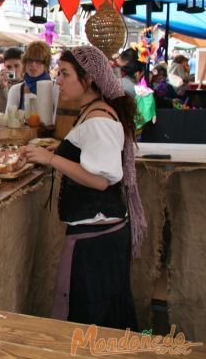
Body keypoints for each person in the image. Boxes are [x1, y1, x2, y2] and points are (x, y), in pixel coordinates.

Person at [23, 46, 145, 330]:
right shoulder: (93, 111)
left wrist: (52, 158)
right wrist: (63, 150)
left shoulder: (99, 119)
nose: (58, 81)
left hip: (96, 240)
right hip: (99, 235)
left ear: (88, 79)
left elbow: (101, 179)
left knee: (91, 318)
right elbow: (90, 154)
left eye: (64, 74)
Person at [5, 41, 56, 118]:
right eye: (30, 60)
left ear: (46, 64)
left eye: (38, 61)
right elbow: (8, 120)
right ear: (25, 62)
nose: (33, 65)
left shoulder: (56, 88)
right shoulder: (17, 89)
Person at [0, 47, 23, 113]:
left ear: (24, 65)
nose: (13, 70)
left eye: (16, 66)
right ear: (5, 67)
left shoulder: (28, 85)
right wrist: (3, 88)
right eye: (9, 67)